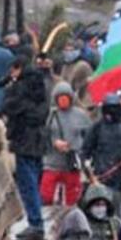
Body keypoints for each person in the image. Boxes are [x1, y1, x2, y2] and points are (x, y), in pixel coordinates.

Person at [1, 56, 48, 240]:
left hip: (24, 139)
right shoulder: (41, 85)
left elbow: (5, 106)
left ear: (17, 68)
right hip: (39, 139)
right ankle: (37, 219)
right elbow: (42, 112)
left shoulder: (19, 88)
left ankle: (35, 222)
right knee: (35, 182)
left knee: (27, 185)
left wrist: (10, 88)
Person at [82, 94, 121, 219]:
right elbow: (85, 151)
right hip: (102, 178)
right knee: (102, 212)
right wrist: (90, 175)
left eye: (114, 108)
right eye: (108, 109)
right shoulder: (97, 127)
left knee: (117, 212)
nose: (111, 113)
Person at [42, 81, 91, 212]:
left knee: (72, 198)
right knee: (46, 195)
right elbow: (42, 136)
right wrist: (54, 142)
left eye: (65, 98)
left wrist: (78, 150)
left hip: (72, 164)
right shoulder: (49, 115)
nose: (63, 101)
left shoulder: (81, 116)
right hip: (52, 162)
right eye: (60, 98)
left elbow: (89, 138)